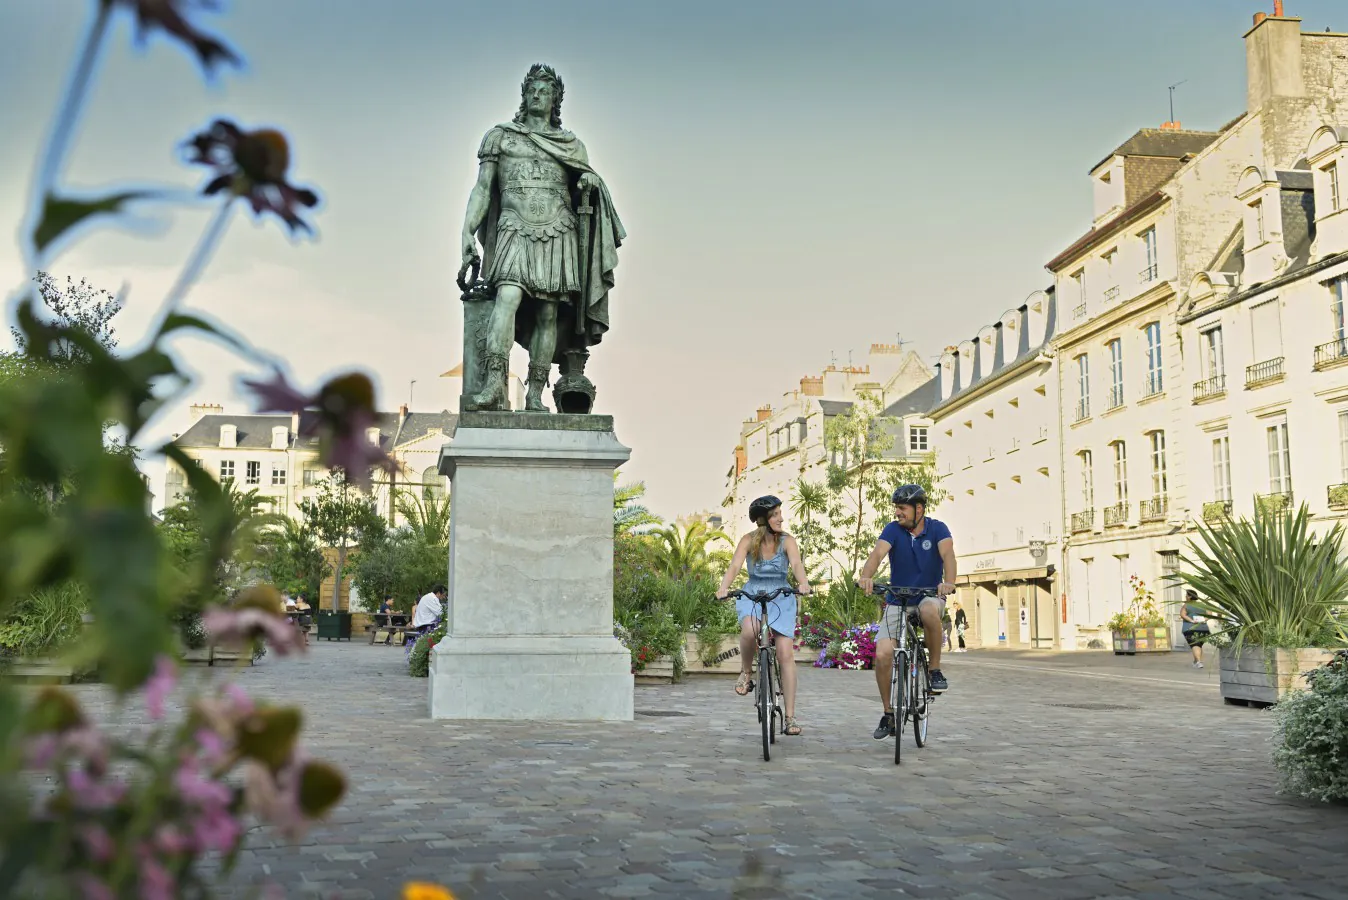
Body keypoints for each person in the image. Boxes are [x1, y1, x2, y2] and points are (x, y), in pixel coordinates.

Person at [459, 63, 625, 412]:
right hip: (513, 225)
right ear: (524, 95)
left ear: (555, 100)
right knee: (506, 298)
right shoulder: (500, 137)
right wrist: (467, 231)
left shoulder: (571, 145)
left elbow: (585, 181)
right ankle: (493, 385)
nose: (537, 95)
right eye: (532, 89)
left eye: (545, 91)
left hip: (558, 227)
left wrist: (589, 183)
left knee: (548, 314)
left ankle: (535, 393)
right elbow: (482, 189)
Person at [858, 483, 957, 741]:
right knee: (882, 654)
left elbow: (948, 557)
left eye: (902, 508)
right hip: (897, 598)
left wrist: (949, 582)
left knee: (928, 610)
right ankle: (888, 713)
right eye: (897, 508)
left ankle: (934, 670)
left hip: (929, 594)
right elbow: (877, 554)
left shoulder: (938, 529)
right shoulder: (892, 530)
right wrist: (866, 576)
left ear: (919, 509)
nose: (898, 513)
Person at [716, 495, 813, 737]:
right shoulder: (748, 541)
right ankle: (746, 673)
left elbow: (797, 564)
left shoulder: (788, 541)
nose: (781, 518)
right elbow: (735, 565)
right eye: (775, 514)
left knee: (785, 653)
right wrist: (723, 587)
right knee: (749, 630)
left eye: (780, 513)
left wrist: (803, 583)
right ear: (763, 520)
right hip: (753, 593)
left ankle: (790, 717)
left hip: (781, 593)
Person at [1180, 588, 1210, 668]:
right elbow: (1210, 614)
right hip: (1203, 629)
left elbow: (1183, 615)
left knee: (1195, 645)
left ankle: (1199, 662)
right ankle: (1196, 661)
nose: (1185, 596)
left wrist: (1191, 620)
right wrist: (1204, 620)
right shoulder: (1203, 605)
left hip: (1190, 628)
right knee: (1198, 645)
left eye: (1186, 595)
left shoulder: (1187, 605)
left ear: (1189, 597)